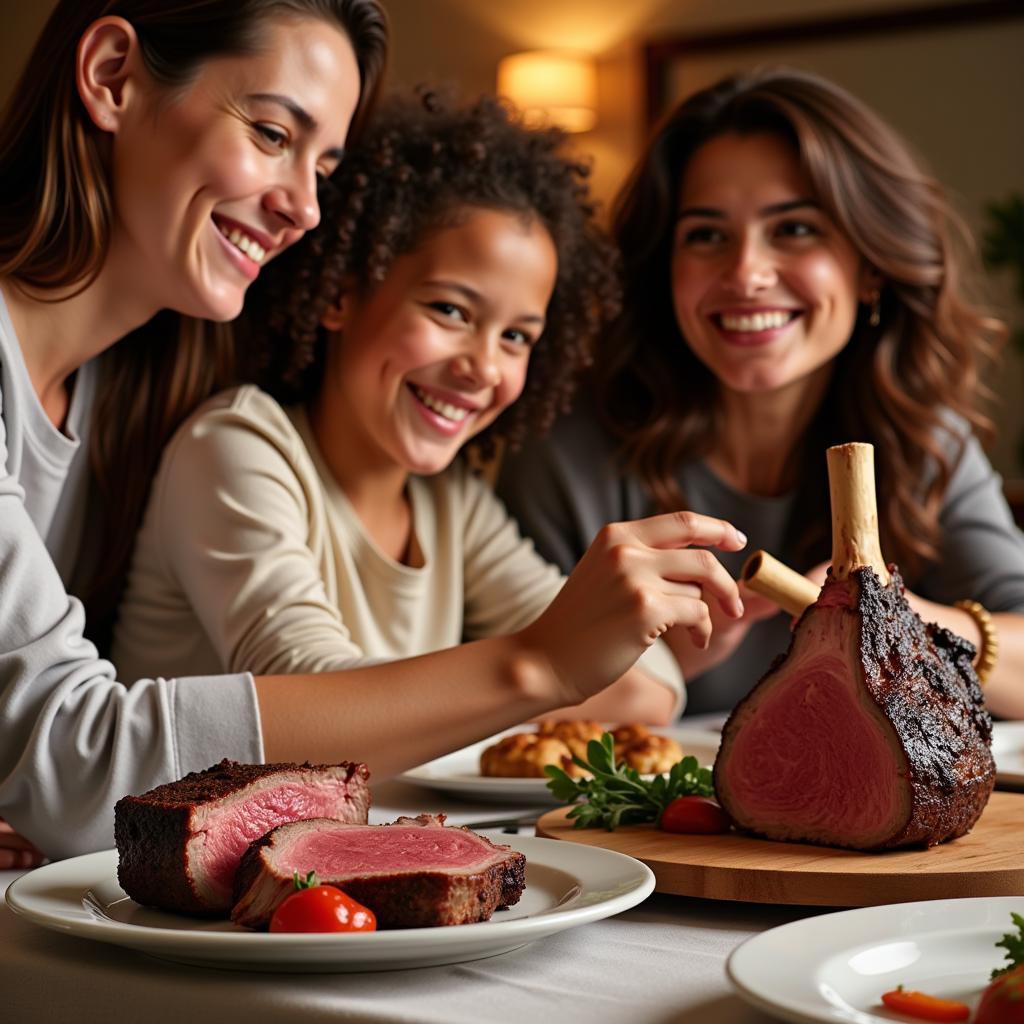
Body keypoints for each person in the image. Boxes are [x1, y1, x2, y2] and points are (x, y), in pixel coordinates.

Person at [111, 92, 748, 751]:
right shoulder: (238, 447)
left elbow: (649, 686)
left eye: (517, 338)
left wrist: (548, 662)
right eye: (450, 311)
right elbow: (306, 705)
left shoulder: (451, 504)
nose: (483, 367)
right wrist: (542, 665)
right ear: (340, 293)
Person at [496, 67, 1024, 720]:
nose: (746, 273)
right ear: (663, 273)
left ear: (872, 267)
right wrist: (669, 662)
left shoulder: (922, 440)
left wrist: (895, 616)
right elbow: (507, 705)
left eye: (794, 229)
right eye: (707, 236)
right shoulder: (566, 455)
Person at [0, 0, 388, 863]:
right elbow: (77, 767)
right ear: (111, 77)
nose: (307, 210)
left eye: (324, 165)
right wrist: (536, 667)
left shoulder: (134, 400)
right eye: (273, 134)